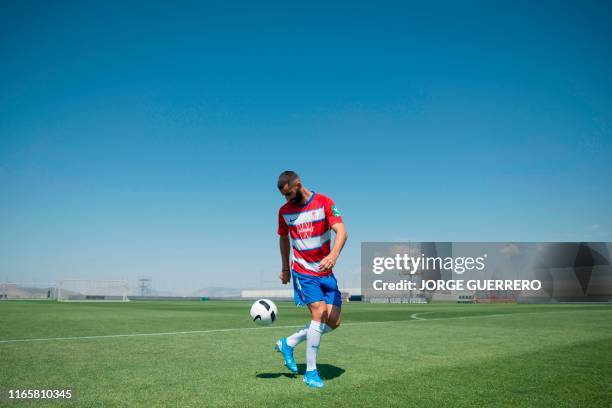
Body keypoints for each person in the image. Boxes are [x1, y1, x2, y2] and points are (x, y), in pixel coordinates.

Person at [274, 170, 348, 388]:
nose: (287, 199)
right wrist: (285, 268)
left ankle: (288, 343)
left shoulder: (325, 202)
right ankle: (311, 373)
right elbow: (283, 239)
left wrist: (333, 255)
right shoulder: (284, 212)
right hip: (303, 270)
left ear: (298, 184)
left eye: (289, 194)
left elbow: (342, 232)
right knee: (319, 313)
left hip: (325, 271)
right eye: (284, 196)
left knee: (334, 321)